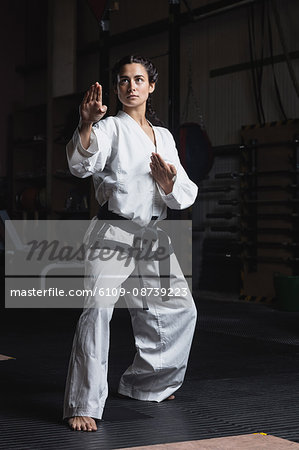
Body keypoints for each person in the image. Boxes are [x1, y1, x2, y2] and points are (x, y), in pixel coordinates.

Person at [63, 55, 198, 431]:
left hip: (153, 234)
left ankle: (148, 383)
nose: (131, 86)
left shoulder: (165, 136)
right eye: (124, 80)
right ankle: (83, 403)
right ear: (118, 88)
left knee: (180, 311)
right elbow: (80, 164)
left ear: (151, 86)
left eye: (139, 79)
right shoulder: (108, 129)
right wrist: (86, 123)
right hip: (115, 232)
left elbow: (184, 192)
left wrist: (169, 185)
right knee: (97, 312)